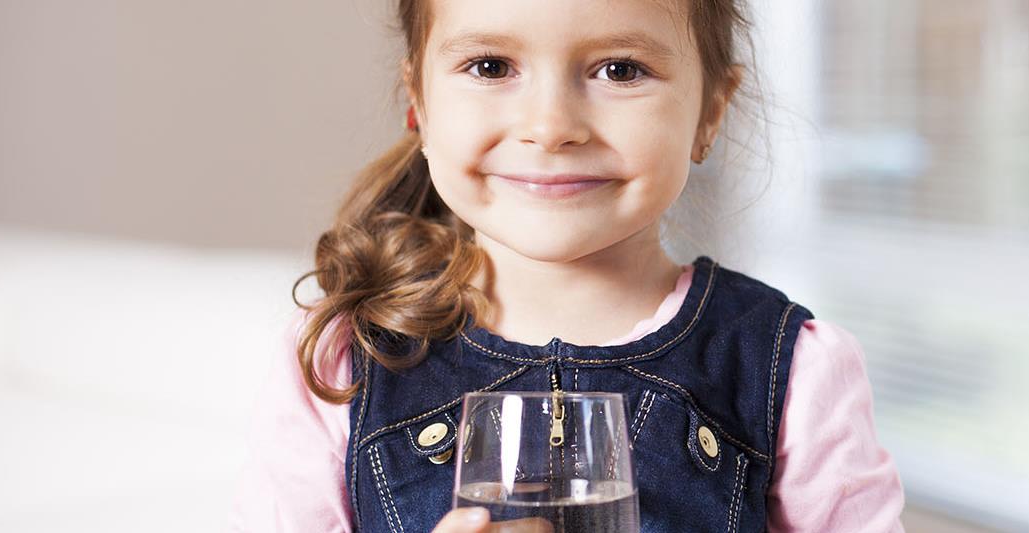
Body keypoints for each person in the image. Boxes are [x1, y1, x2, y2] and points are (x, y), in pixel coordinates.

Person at [228, 0, 904, 531]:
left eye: (620, 69)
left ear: (711, 111)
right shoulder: (340, 361)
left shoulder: (791, 372)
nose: (551, 126)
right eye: (492, 66)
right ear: (421, 103)